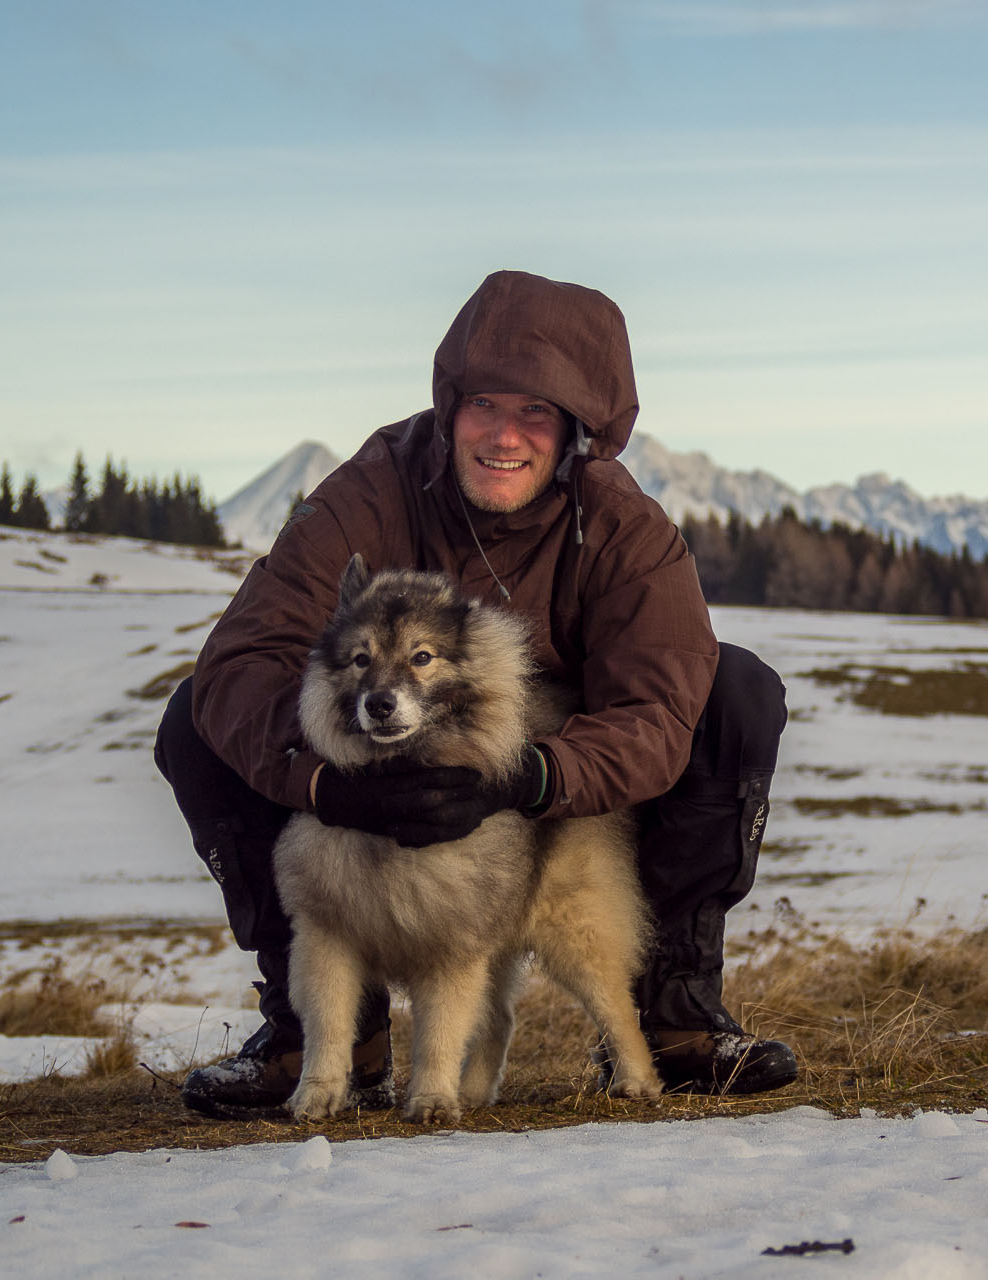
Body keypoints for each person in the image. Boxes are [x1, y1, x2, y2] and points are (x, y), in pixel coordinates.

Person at [154, 269, 795, 1117]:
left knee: (735, 693)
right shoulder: (374, 488)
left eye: (536, 413)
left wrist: (531, 776)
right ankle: (319, 1032)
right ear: (449, 405)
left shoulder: (621, 528)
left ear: (576, 430)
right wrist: (325, 783)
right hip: (363, 779)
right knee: (195, 719)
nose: (504, 435)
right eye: (484, 405)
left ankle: (673, 1014)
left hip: (553, 782)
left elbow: (658, 710)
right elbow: (247, 659)